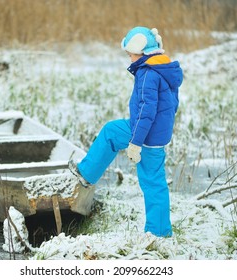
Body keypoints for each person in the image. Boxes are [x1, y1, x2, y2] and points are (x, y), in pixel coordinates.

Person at [69, 26, 183, 237]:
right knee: (114, 135)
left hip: (145, 135)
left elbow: (146, 112)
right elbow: (172, 104)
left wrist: (135, 143)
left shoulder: (148, 73)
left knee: (150, 180)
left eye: (129, 53)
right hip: (156, 134)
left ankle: (157, 233)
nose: (129, 57)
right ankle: (161, 231)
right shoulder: (164, 67)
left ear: (141, 50)